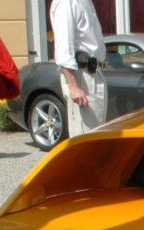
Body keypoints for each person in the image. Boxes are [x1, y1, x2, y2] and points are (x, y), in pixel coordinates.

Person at [50, 0, 107, 135]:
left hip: (94, 72)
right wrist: (73, 86)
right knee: (85, 138)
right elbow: (64, 50)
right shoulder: (66, 3)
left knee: (96, 136)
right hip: (82, 76)